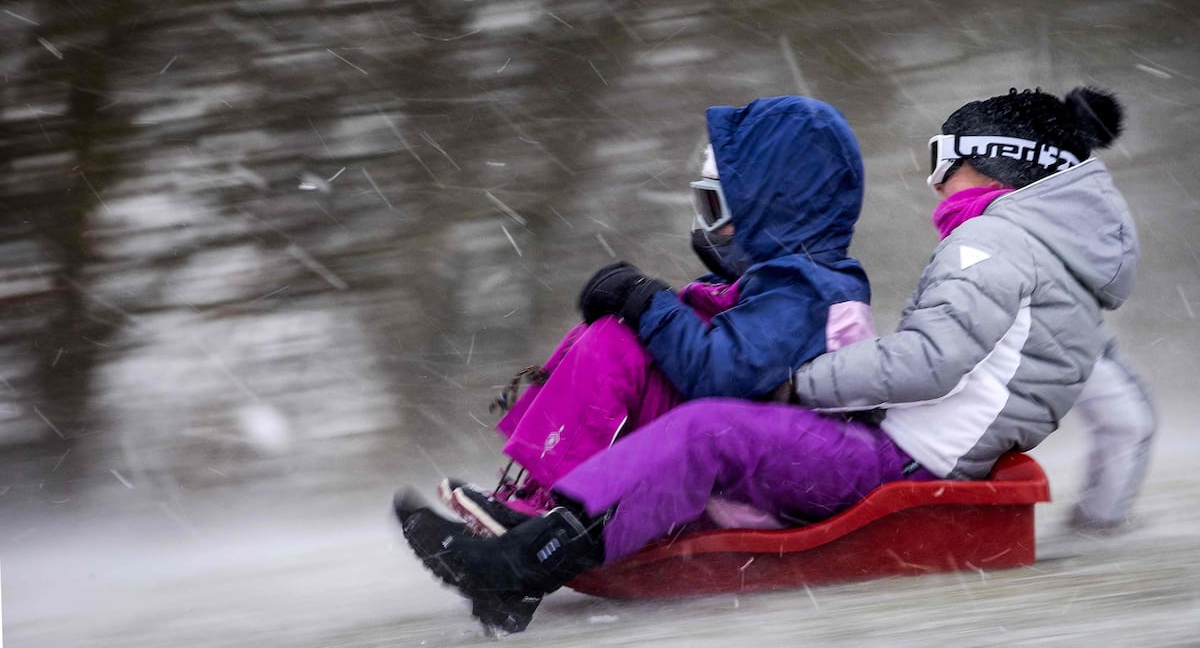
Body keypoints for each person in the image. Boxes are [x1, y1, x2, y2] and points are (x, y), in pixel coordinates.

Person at [394, 85, 1141, 634]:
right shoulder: (1063, 267)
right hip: (919, 453)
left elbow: (930, 363)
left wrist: (801, 386)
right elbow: (1118, 413)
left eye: (945, 158)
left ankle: (525, 565)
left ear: (1002, 163)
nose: (934, 180)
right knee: (712, 422)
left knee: (713, 430)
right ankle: (528, 537)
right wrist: (1101, 517)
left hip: (896, 459)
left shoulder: (992, 244)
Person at [441, 95, 875, 533]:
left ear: (770, 207)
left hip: (761, 467)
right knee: (612, 336)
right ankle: (535, 494)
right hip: (731, 442)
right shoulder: (787, 282)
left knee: (615, 347)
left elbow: (723, 375)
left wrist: (645, 300)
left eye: (715, 208)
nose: (706, 227)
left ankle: (554, 508)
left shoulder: (810, 289)